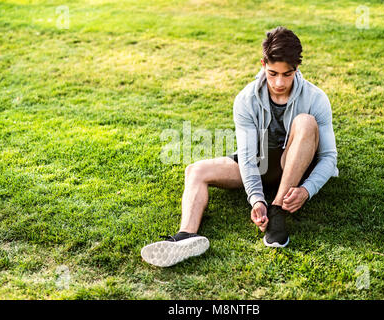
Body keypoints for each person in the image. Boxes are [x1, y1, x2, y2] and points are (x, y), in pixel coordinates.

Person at [141, 26, 338, 267]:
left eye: (287, 74)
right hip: (263, 161)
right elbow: (246, 156)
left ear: (297, 69)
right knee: (195, 170)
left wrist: (307, 189)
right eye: (273, 73)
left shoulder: (316, 98)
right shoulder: (245, 99)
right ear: (263, 64)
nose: (279, 82)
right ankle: (186, 237)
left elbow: (328, 157)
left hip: (298, 164)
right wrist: (256, 199)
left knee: (306, 122)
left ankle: (277, 211)